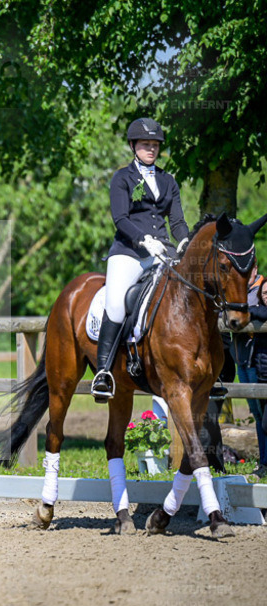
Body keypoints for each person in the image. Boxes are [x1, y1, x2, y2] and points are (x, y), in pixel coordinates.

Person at [91, 118, 189, 402]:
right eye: (146, 144)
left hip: (163, 253)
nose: (151, 149)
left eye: (155, 145)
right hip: (130, 252)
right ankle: (103, 372)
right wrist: (143, 239)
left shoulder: (168, 180)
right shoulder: (122, 178)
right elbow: (120, 218)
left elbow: (178, 221)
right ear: (133, 146)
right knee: (117, 302)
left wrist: (183, 242)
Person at [231, 264, 267, 478]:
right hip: (241, 361)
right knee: (256, 413)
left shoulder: (259, 288)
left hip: (256, 361)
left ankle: (264, 463)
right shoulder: (238, 288)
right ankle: (263, 461)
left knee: (264, 415)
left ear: (254, 268)